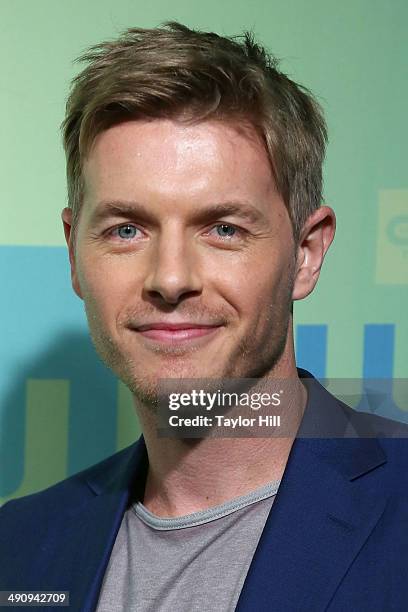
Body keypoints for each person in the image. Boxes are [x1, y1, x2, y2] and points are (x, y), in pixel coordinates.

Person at [1, 21, 407, 612]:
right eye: (127, 229)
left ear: (306, 253)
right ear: (73, 253)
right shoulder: (20, 545)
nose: (170, 278)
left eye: (223, 229)